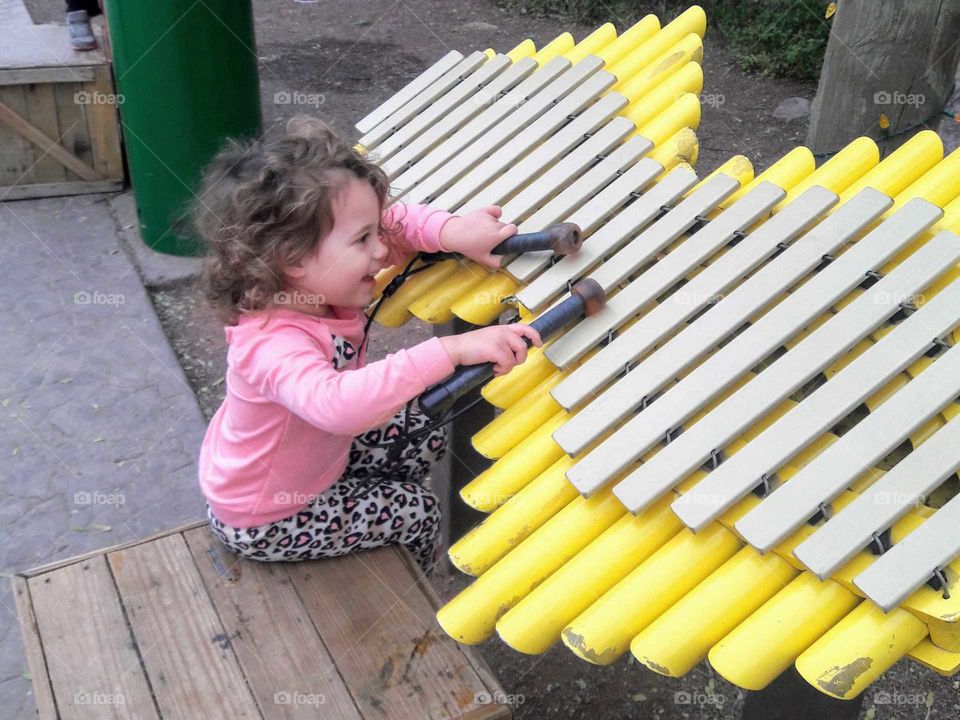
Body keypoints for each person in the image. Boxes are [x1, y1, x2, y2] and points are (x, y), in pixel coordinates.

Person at [193, 115, 542, 577]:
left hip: (313, 460)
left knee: (420, 432)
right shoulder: (269, 342)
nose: (380, 249)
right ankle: (406, 589)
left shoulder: (315, 275)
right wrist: (452, 351)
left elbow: (399, 224)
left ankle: (366, 515)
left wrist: (454, 233)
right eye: (363, 239)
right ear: (293, 259)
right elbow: (338, 407)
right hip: (267, 514)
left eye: (373, 231)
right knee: (417, 510)